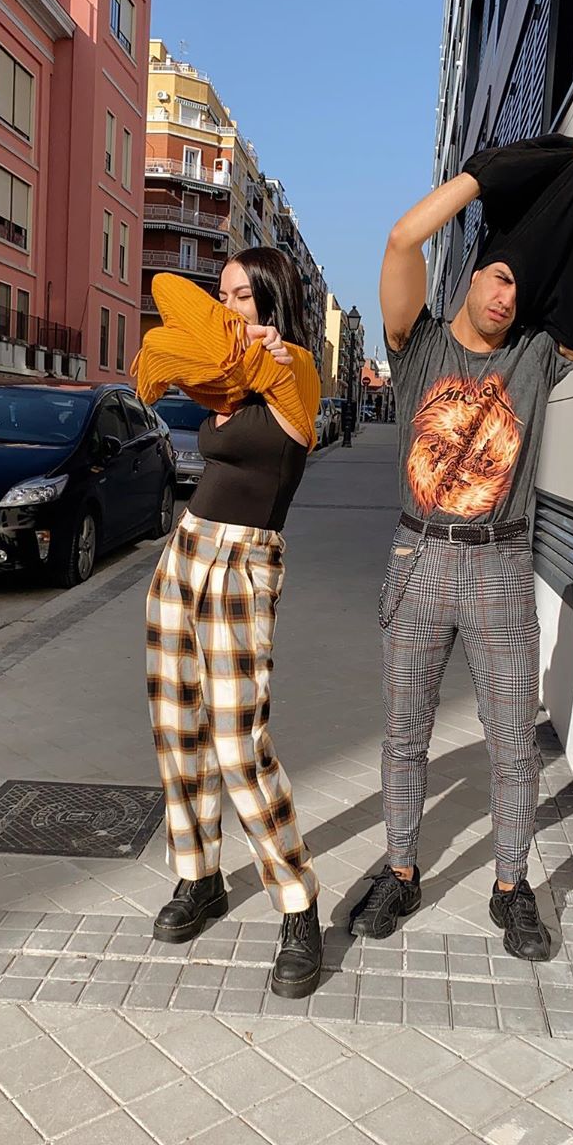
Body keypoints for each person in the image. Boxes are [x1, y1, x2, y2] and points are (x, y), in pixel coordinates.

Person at [348, 134, 573, 961]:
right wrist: (497, 172)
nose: (505, 296)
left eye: (519, 286)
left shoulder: (537, 356)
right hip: (420, 560)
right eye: (498, 276)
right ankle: (401, 869)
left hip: (500, 562)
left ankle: (512, 886)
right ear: (471, 275)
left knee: (511, 743)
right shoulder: (418, 346)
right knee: (404, 734)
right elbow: (402, 239)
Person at [133, 248, 325, 999]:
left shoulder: (296, 370)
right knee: (177, 727)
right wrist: (204, 345)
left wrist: (258, 347)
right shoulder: (226, 371)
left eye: (242, 296)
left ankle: (298, 903)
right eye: (223, 295)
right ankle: (199, 875)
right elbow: (171, 323)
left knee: (239, 744)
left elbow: (282, 395)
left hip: (245, 562)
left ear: (273, 299)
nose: (226, 308)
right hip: (185, 551)